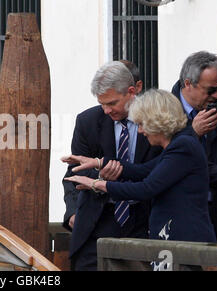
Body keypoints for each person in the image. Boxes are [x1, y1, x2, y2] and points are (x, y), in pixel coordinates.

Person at [64, 89, 217, 249]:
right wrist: (98, 162)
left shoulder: (183, 146)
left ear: (158, 121)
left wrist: (97, 184)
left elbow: (146, 188)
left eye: (142, 124)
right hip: (175, 241)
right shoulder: (177, 145)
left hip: (187, 242)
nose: (140, 131)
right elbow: (142, 170)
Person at [61, 61, 162, 271]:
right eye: (102, 104)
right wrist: (72, 213)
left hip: (144, 220)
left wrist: (123, 171)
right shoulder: (87, 121)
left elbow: (162, 167)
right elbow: (73, 172)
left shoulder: (157, 120)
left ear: (132, 91)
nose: (106, 110)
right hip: (98, 220)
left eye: (112, 103)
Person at [171, 51, 217, 248]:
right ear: (188, 84)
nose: (216, 96)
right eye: (210, 90)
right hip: (178, 214)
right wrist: (192, 133)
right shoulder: (162, 111)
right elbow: (157, 162)